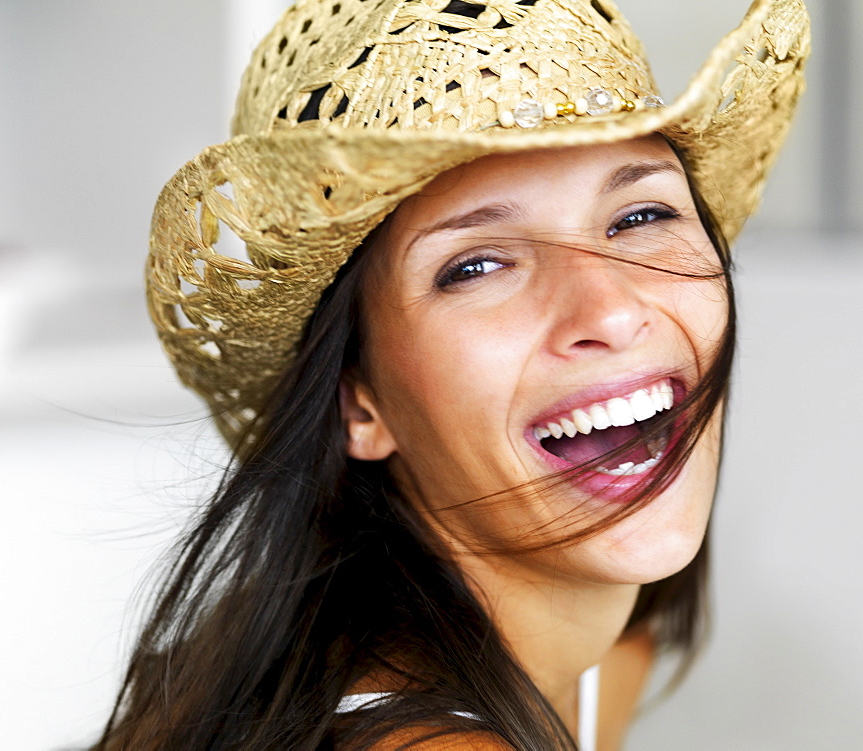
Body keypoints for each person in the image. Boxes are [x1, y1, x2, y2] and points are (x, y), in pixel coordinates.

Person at [95, 0, 809, 748]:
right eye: (474, 266)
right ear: (357, 403)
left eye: (639, 217)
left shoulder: (604, 656)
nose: (612, 310)